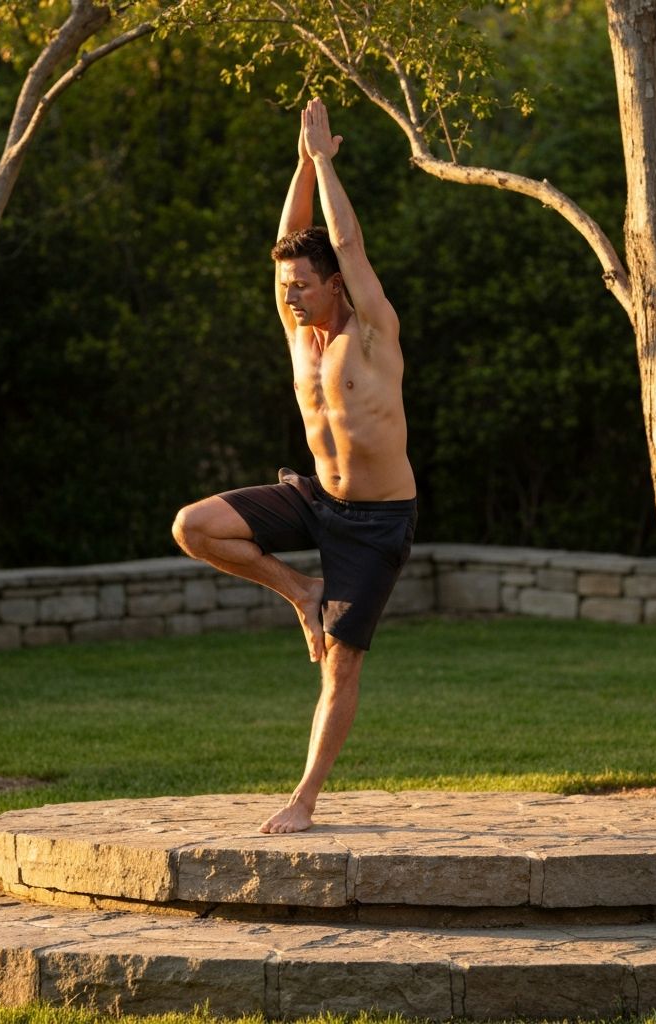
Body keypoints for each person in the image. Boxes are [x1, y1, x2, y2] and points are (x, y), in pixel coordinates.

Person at [171, 97, 416, 834]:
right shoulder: (297, 328)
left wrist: (328, 164)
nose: (289, 293)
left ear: (335, 284)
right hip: (317, 498)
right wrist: (299, 164)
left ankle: (304, 799)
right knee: (195, 527)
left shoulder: (371, 331)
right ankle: (300, 592)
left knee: (341, 667)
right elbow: (288, 237)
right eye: (285, 285)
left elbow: (348, 242)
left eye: (302, 283)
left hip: (376, 521)